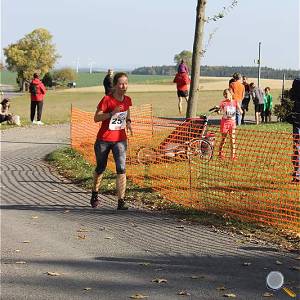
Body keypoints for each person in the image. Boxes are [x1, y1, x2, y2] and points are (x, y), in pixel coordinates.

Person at [91, 72, 133, 210]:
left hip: (120, 140)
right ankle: (95, 193)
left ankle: (121, 201)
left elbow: (127, 113)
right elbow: (96, 118)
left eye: (126, 83)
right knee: (100, 168)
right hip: (104, 139)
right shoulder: (107, 100)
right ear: (115, 85)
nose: (124, 86)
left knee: (121, 169)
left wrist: (128, 122)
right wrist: (111, 114)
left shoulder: (127, 100)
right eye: (121, 83)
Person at [217, 89, 243, 161]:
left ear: (231, 94)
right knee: (223, 139)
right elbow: (219, 111)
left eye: (226, 94)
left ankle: (233, 156)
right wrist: (218, 111)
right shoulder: (223, 103)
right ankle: (220, 154)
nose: (225, 96)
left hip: (232, 123)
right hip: (224, 122)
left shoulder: (235, 102)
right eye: (224, 94)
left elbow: (241, 110)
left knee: (232, 139)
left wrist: (240, 111)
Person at [287, 78, 300, 183]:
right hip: (297, 121)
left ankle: (297, 175)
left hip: (297, 122)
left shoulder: (296, 83)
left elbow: (291, 95)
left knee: (297, 148)